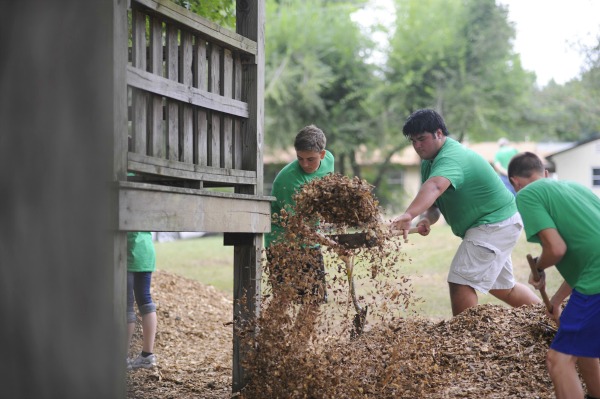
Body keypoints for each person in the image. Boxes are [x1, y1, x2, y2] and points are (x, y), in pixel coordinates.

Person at [390, 109, 541, 316]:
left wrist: (408, 214)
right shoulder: (429, 163)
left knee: (460, 281)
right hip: (498, 223)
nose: (417, 146)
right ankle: (548, 318)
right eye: (413, 141)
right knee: (503, 287)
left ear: (439, 133)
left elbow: (434, 187)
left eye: (422, 139)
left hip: (494, 223)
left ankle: (464, 342)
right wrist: (426, 219)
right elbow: (434, 203)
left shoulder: (452, 156)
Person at [507, 151, 600, 399]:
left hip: (596, 279)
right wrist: (557, 300)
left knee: (557, 360)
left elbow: (556, 249)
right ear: (545, 173)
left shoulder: (527, 194)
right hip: (593, 275)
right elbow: (588, 253)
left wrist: (537, 267)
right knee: (582, 349)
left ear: (515, 182)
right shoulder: (575, 189)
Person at [264, 124, 334, 302]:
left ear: (323, 154)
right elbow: (298, 226)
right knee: (284, 302)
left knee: (315, 300)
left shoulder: (329, 161)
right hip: (283, 243)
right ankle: (270, 331)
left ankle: (301, 332)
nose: (304, 164)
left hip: (309, 241)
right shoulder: (288, 181)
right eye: (300, 158)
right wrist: (330, 243)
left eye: (310, 159)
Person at [127, 231, 158, 370]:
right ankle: (147, 355)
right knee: (145, 301)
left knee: (126, 305)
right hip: (146, 252)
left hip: (128, 253)